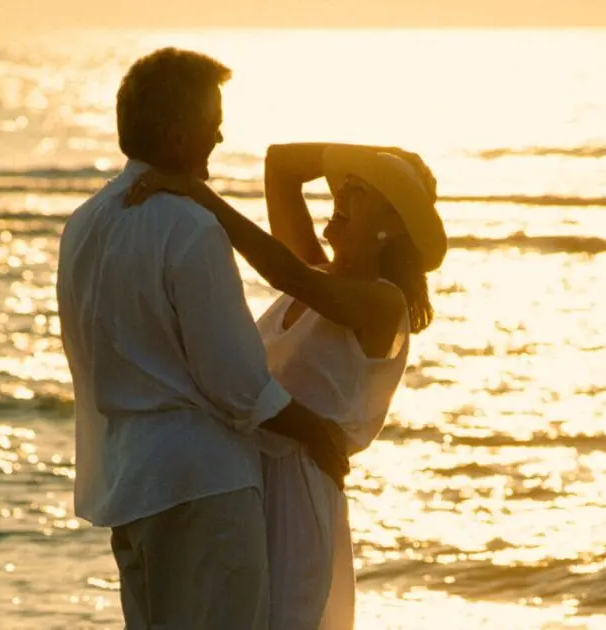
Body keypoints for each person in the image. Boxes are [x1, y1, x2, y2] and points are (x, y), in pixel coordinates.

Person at [55, 48, 350, 630]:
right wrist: (315, 430)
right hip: (203, 488)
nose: (219, 135)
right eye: (211, 123)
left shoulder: (84, 223)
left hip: (128, 484)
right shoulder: (190, 226)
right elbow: (237, 384)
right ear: (176, 136)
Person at [126, 141, 446, 630]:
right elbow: (281, 164)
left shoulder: (382, 304)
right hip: (242, 476)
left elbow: (282, 271)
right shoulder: (317, 274)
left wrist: (197, 193)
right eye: (344, 186)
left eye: (361, 192)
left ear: (393, 226)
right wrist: (371, 158)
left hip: (296, 492)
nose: (342, 195)